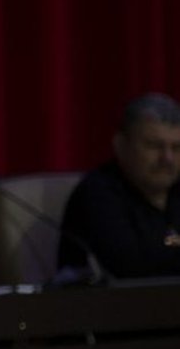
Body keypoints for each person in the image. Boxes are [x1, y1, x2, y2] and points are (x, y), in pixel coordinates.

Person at [59, 93, 180, 279]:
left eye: (176, 148)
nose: (167, 159)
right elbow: (131, 267)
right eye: (154, 146)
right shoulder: (97, 194)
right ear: (120, 145)